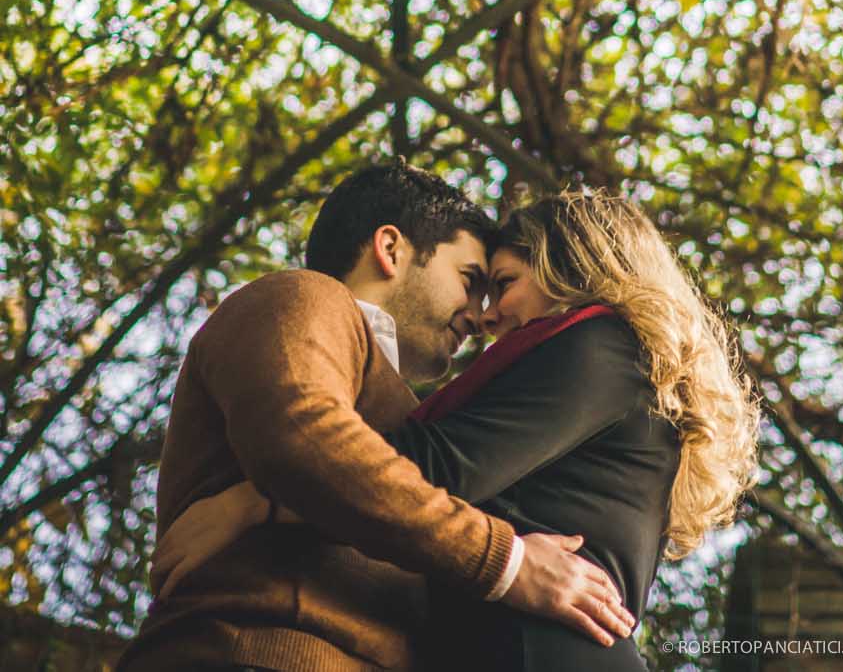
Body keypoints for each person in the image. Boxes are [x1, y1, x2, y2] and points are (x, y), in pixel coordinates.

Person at [151, 189, 760, 670]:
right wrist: (509, 560)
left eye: (500, 285)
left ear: (573, 274)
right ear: (391, 249)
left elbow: (422, 470)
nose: (484, 315)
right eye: (474, 281)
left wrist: (257, 502)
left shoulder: (601, 346)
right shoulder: (305, 299)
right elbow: (318, 447)